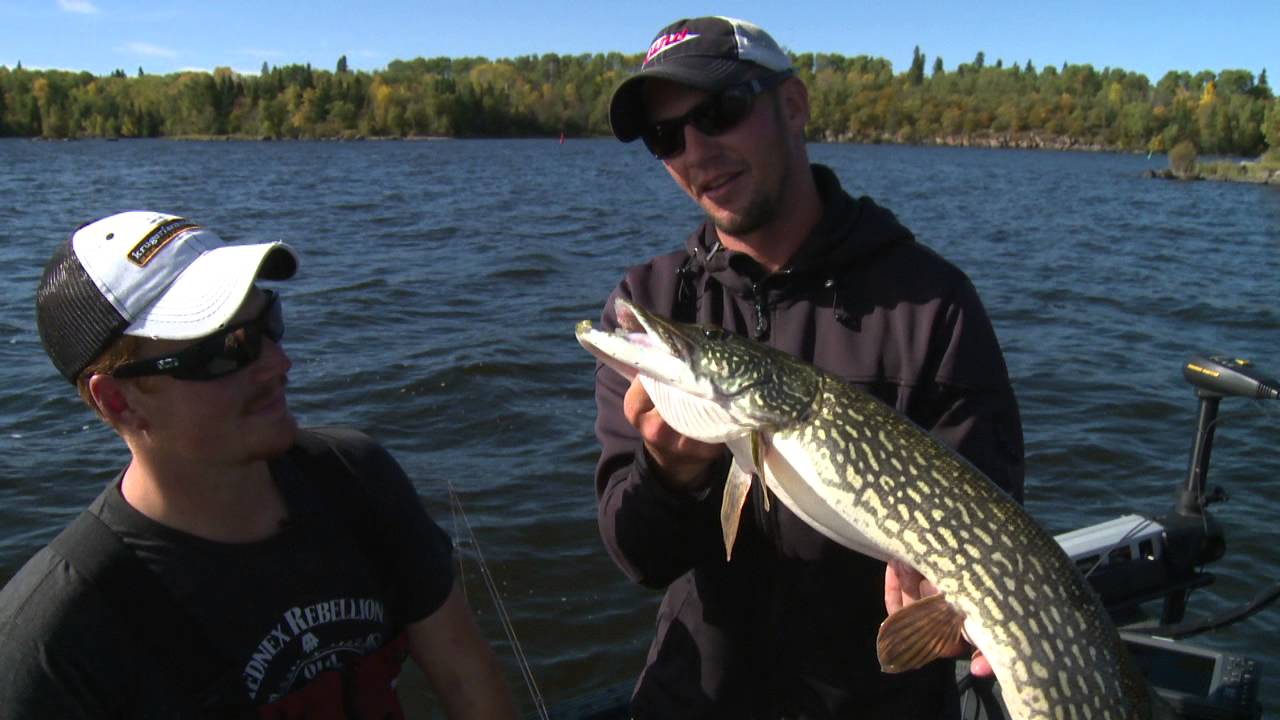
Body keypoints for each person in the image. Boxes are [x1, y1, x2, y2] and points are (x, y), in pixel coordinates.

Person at [592, 16, 1025, 719]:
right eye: (666, 137)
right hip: (696, 699)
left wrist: (943, 610)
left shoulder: (931, 305)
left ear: (792, 106)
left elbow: (990, 530)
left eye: (720, 112)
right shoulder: (654, 301)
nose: (697, 152)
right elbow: (640, 557)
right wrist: (669, 474)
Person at [0, 211, 518, 719]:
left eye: (268, 322)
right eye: (227, 348)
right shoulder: (52, 643)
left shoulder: (356, 478)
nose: (278, 363)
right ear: (119, 400)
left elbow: (467, 680)